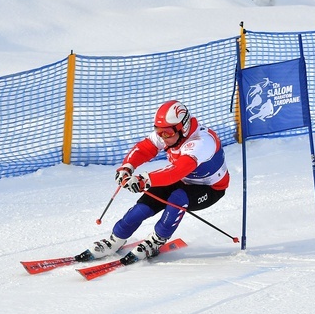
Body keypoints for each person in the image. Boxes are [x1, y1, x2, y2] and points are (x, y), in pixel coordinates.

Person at [92, 100, 230, 260]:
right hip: (183, 180)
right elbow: (144, 148)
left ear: (183, 128)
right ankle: (116, 239)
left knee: (177, 198)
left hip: (210, 188)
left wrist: (144, 180)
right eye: (158, 131)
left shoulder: (202, 141)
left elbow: (178, 170)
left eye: (167, 133)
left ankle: (157, 240)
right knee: (145, 205)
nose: (162, 137)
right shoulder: (169, 135)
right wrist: (127, 167)